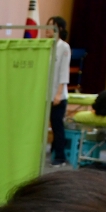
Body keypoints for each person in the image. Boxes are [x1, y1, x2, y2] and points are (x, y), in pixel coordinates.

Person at [47, 17, 71, 166]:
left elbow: (63, 72)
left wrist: (58, 94)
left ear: (59, 29)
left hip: (58, 95)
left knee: (57, 126)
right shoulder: (45, 46)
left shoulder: (64, 47)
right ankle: (53, 150)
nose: (48, 29)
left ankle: (60, 157)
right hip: (45, 94)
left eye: (51, 26)